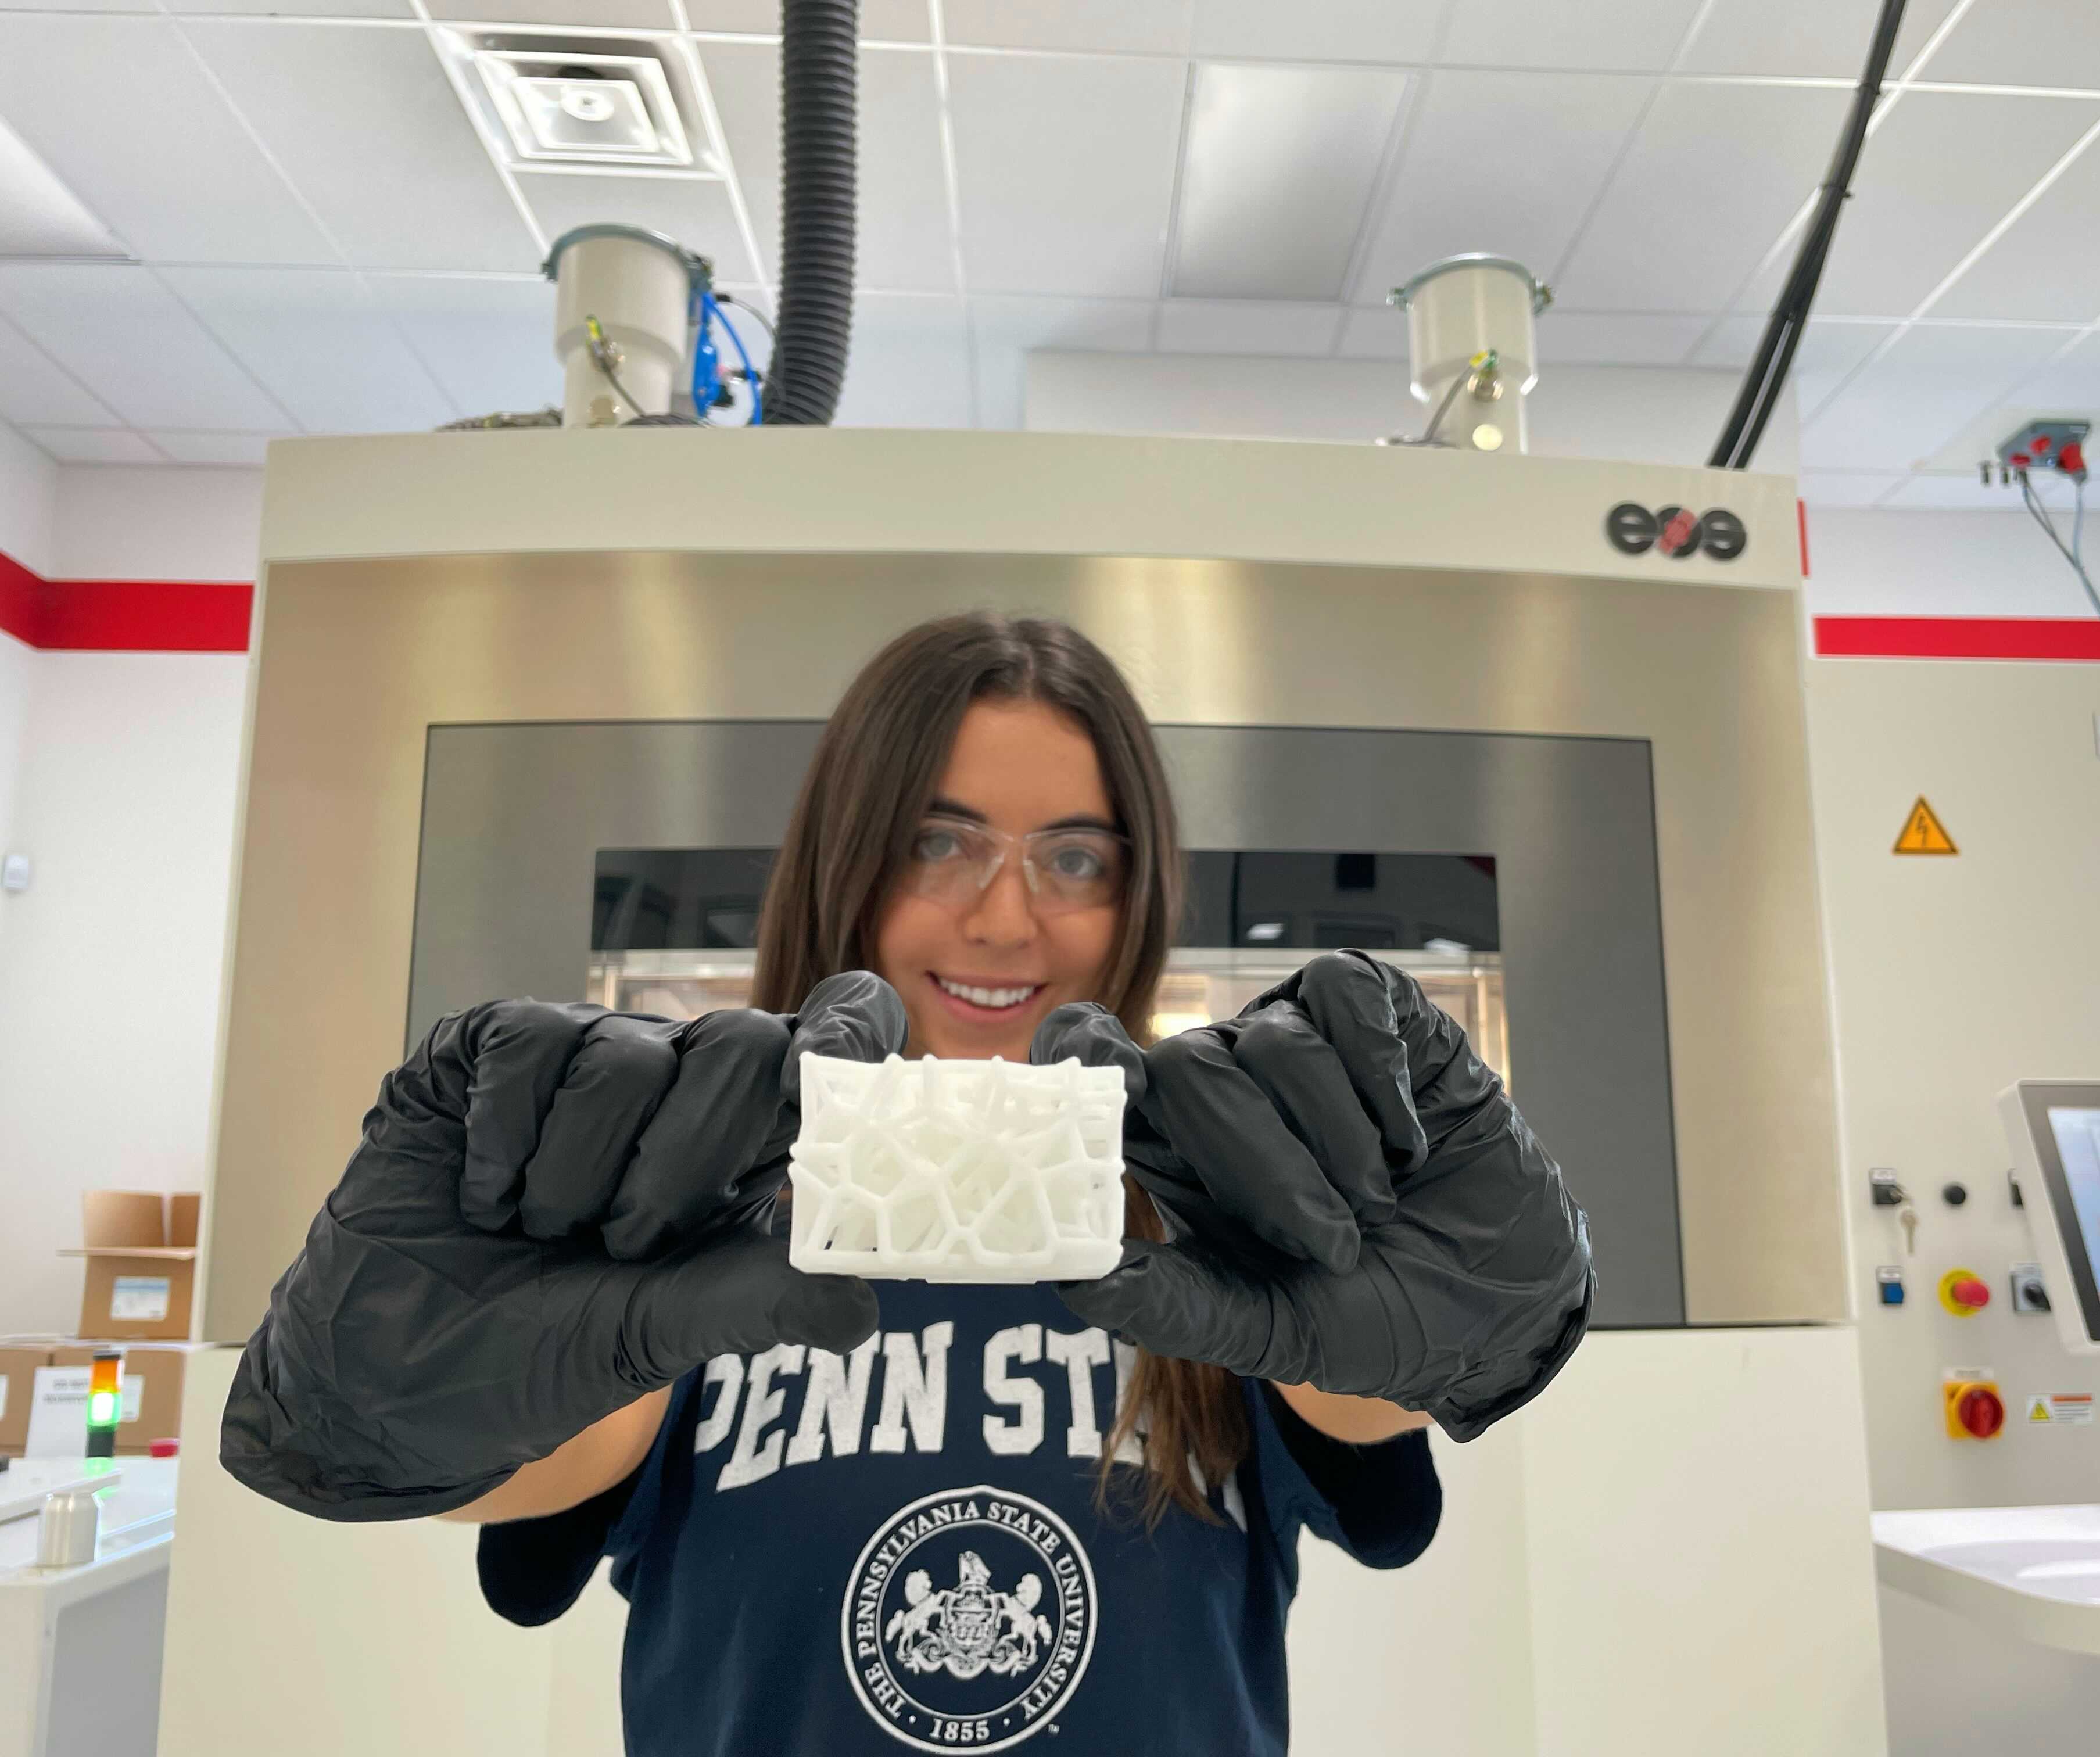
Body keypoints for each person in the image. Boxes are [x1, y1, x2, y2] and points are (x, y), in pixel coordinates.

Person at [222, 612, 1594, 1756]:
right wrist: (388, 1410)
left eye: (1074, 857)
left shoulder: (1220, 1212)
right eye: (938, 843)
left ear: (1138, 894)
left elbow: (1366, 1409)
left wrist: (1453, 1301)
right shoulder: (686, 1208)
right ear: (848, 864)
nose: (1006, 916)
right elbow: (525, 1477)